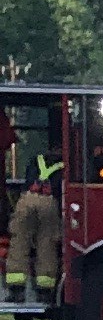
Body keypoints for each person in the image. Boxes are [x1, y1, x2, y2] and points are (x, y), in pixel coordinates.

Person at [5, 119, 62, 308]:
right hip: (49, 203)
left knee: (19, 242)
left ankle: (16, 290)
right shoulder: (66, 164)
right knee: (46, 244)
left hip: (27, 200)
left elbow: (26, 182)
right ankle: (44, 293)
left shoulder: (37, 159)